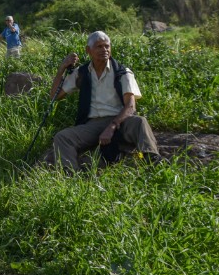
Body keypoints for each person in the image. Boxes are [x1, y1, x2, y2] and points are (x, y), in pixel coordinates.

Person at [49, 31, 160, 171]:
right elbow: (55, 96)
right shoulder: (81, 73)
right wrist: (61, 69)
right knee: (62, 137)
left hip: (120, 121)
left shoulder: (122, 72)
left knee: (140, 122)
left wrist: (112, 127)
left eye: (107, 46)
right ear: (88, 50)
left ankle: (152, 161)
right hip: (92, 124)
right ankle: (70, 173)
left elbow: (130, 106)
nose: (104, 50)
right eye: (99, 46)